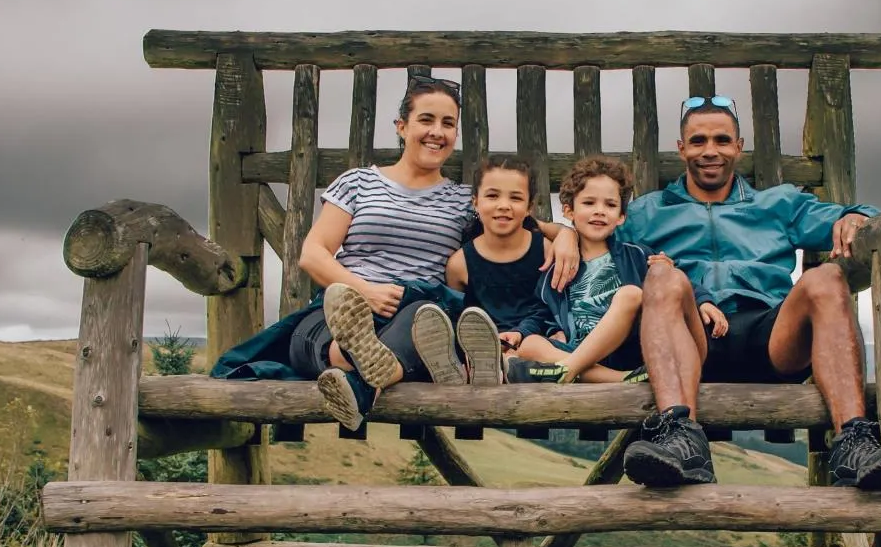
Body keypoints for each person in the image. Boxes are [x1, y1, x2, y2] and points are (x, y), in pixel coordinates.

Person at [609, 94, 881, 490]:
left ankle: (854, 443)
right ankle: (680, 437)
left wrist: (857, 217)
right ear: (681, 149)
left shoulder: (778, 204)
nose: (710, 151)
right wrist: (561, 240)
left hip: (769, 338)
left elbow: (855, 217)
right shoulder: (645, 213)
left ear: (738, 147)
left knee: (827, 278)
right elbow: (593, 244)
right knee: (664, 277)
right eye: (698, 141)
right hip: (688, 339)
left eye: (721, 140)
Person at [290, 75, 577, 428]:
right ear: (401, 126)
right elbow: (313, 254)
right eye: (426, 120)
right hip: (347, 303)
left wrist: (565, 235)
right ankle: (367, 361)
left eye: (447, 123)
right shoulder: (358, 183)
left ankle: (360, 377)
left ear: (455, 134)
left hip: (418, 310)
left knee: (424, 320)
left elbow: (519, 220)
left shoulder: (462, 200)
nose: (436, 132)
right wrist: (365, 291)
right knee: (312, 338)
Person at [503, 155, 706, 384]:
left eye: (610, 205)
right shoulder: (557, 265)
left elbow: (677, 283)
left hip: (626, 348)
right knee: (531, 345)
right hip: (578, 349)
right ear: (569, 211)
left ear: (621, 217)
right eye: (589, 203)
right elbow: (541, 312)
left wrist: (704, 301)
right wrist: (520, 332)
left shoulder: (636, 255)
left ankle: (568, 370)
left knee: (631, 294)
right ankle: (618, 379)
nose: (599, 211)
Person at [444, 156, 553, 386]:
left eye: (515, 197)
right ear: (475, 202)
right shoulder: (460, 264)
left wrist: (521, 333)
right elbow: (460, 316)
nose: (503, 205)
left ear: (529, 208)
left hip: (537, 345)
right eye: (492, 196)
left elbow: (548, 307)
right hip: (483, 353)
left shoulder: (545, 250)